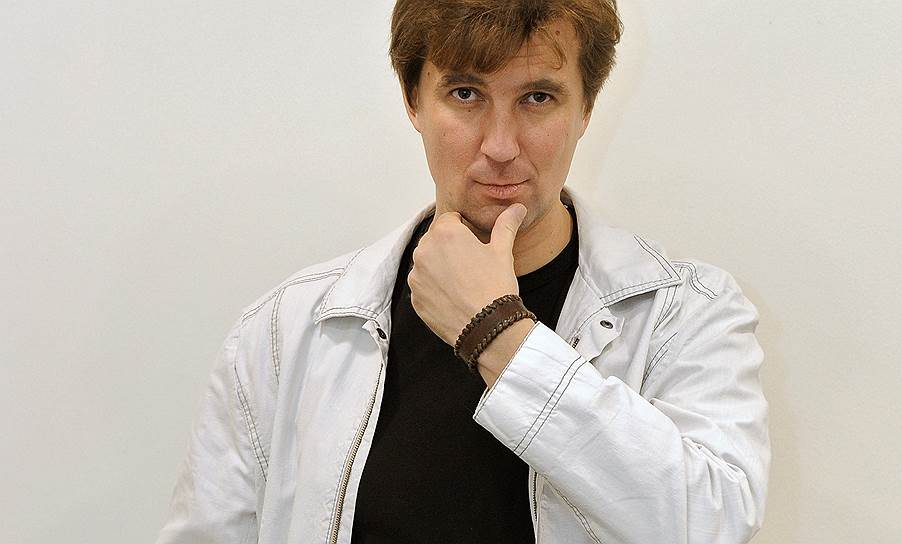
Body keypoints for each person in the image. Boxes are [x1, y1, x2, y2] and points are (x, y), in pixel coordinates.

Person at [157, 1, 770, 542]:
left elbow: (711, 524)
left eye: (537, 98)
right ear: (413, 102)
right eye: (466, 95)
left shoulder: (685, 312)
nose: (500, 146)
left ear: (585, 108)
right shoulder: (284, 330)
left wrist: (496, 331)